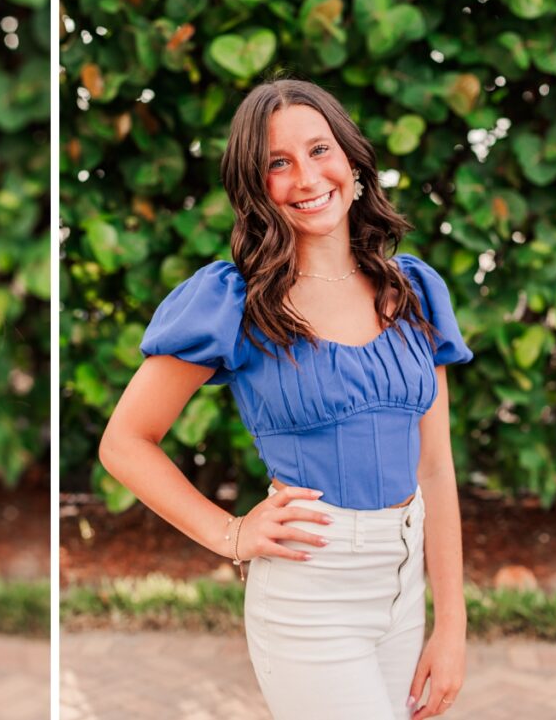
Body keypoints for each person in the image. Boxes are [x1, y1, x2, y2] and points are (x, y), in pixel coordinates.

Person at [99, 79, 472, 720]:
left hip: (405, 589)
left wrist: (453, 623)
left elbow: (435, 469)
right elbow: (124, 443)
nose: (305, 176)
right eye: (278, 162)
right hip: (311, 596)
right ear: (257, 186)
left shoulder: (414, 291)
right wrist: (231, 533)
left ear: (352, 162)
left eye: (318, 149)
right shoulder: (234, 301)